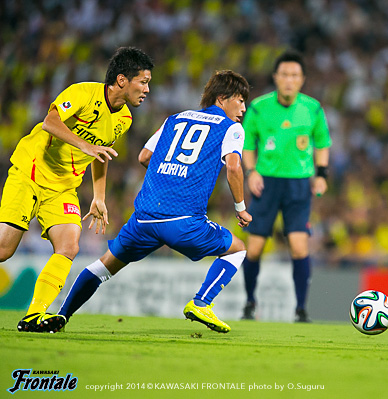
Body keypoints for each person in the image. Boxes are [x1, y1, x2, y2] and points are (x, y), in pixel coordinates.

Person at [57, 70, 252, 334]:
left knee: (103, 267)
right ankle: (201, 303)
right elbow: (233, 167)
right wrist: (241, 208)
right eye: (239, 100)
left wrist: (170, 172)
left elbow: (144, 156)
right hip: (183, 221)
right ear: (221, 98)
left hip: (144, 218)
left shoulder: (174, 119)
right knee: (238, 248)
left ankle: (60, 316)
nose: (243, 108)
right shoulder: (231, 128)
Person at [0, 47, 154, 333]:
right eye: (143, 81)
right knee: (4, 250)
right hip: (30, 172)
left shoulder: (124, 119)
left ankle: (33, 316)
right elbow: (50, 121)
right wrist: (83, 144)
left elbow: (101, 155)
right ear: (122, 80)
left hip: (63, 187)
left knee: (69, 245)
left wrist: (99, 197)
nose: (147, 89)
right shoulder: (83, 92)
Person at [241, 50, 332, 322]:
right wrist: (251, 172)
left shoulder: (313, 109)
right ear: (275, 78)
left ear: (302, 79)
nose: (289, 80)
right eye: (284, 75)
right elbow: (247, 144)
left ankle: (301, 308)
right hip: (266, 184)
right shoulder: (258, 107)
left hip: (298, 185)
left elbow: (323, 144)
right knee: (254, 248)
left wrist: (322, 175)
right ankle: (249, 303)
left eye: (294, 75)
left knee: (299, 247)